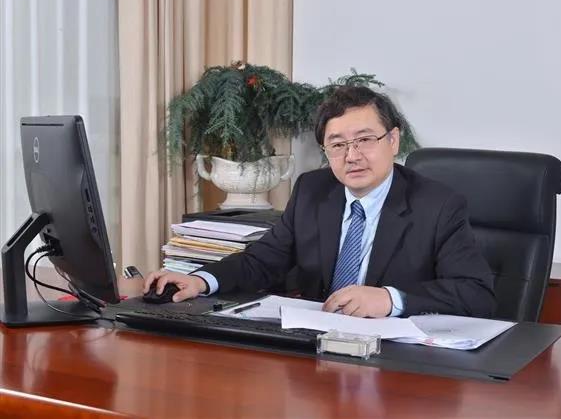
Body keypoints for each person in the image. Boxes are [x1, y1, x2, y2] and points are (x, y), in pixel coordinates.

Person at [143, 86, 496, 318]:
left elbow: (476, 292)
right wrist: (200, 280)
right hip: (317, 349)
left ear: (392, 141)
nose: (352, 156)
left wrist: (391, 299)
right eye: (338, 145)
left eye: (364, 140)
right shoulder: (313, 190)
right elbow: (261, 261)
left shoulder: (438, 205)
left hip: (396, 361)